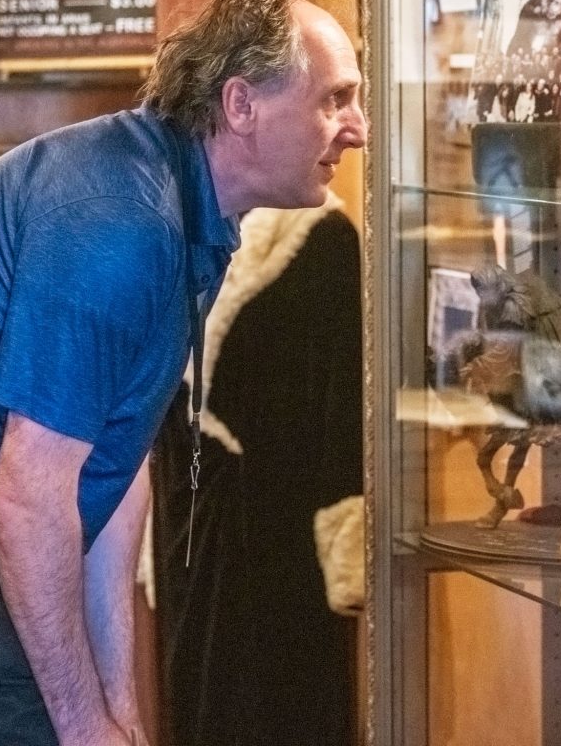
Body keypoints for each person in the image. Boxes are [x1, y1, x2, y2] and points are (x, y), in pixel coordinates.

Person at [0, 0, 367, 746]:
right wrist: (83, 728)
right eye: (332, 99)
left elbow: (113, 477)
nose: (357, 128)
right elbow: (31, 495)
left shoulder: (188, 205)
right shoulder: (120, 225)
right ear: (241, 105)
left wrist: (120, 711)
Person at [153, 191, 363, 746]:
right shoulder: (182, 221)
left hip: (279, 529)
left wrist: (346, 525)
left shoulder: (326, 242)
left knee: (278, 700)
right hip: (189, 513)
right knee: (196, 691)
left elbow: (345, 400)